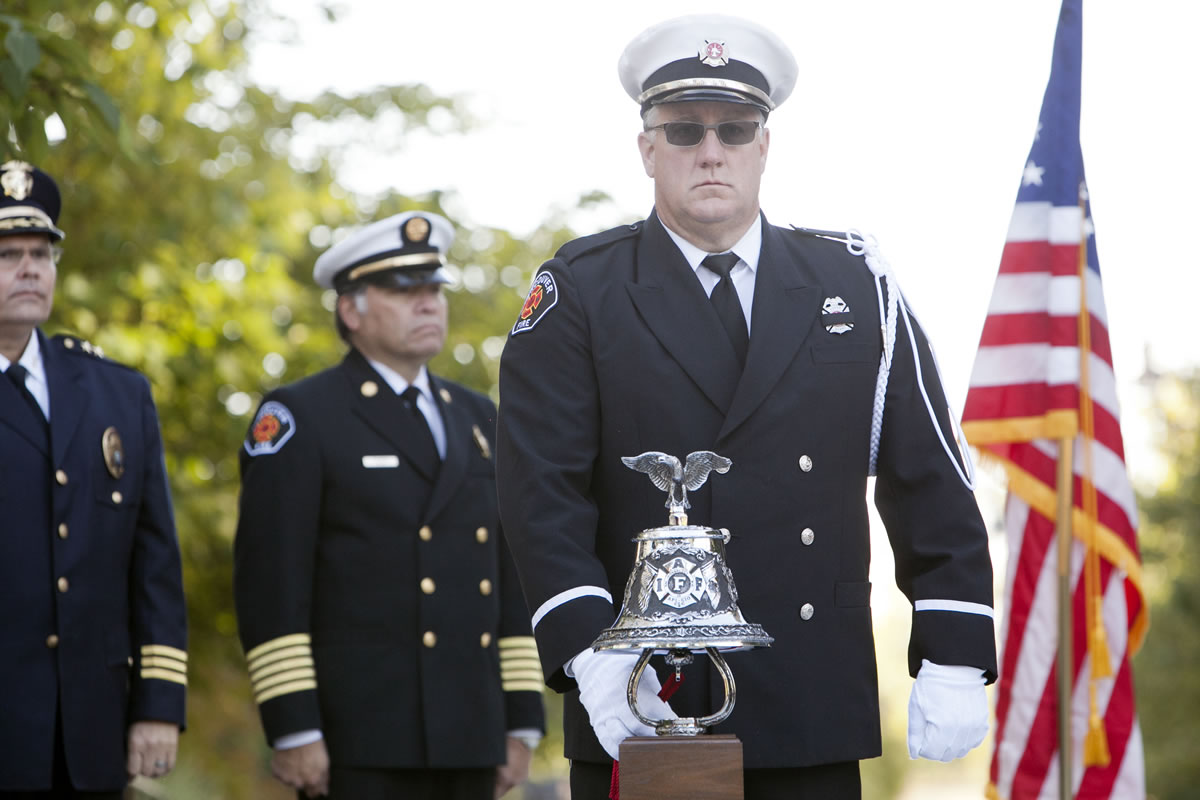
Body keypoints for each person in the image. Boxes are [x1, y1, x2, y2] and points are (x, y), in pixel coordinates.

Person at [495, 15, 998, 800]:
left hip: (812, 697)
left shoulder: (855, 285)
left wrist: (956, 643)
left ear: (764, 146)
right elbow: (540, 492)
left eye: (734, 128)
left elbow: (928, 472)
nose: (710, 150)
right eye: (684, 128)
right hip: (645, 698)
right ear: (647, 149)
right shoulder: (581, 291)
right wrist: (593, 652)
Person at [233, 210, 546, 799]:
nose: (428, 304)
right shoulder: (302, 416)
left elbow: (508, 575)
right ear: (351, 310)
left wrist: (521, 719)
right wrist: (294, 726)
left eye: (434, 290)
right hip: (356, 740)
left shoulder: (478, 416)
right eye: (405, 292)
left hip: (471, 734)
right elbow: (271, 585)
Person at [0, 160, 188, 797]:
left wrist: (159, 702)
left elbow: (153, 558)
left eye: (40, 253)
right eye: (8, 254)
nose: (30, 268)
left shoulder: (118, 393)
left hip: (92, 732)